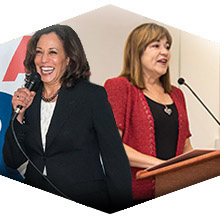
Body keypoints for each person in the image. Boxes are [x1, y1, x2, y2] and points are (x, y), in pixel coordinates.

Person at [3, 24, 133, 213]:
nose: (44, 59)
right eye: (39, 52)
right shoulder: (29, 97)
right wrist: (19, 115)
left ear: (69, 59)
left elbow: (115, 159)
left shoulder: (91, 96)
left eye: (52, 52)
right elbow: (11, 161)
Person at [104, 23, 192, 204]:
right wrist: (160, 165)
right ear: (137, 51)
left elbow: (186, 148)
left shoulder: (177, 94)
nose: (165, 52)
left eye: (167, 46)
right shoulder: (120, 87)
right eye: (156, 46)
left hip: (172, 191)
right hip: (131, 194)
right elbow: (110, 145)